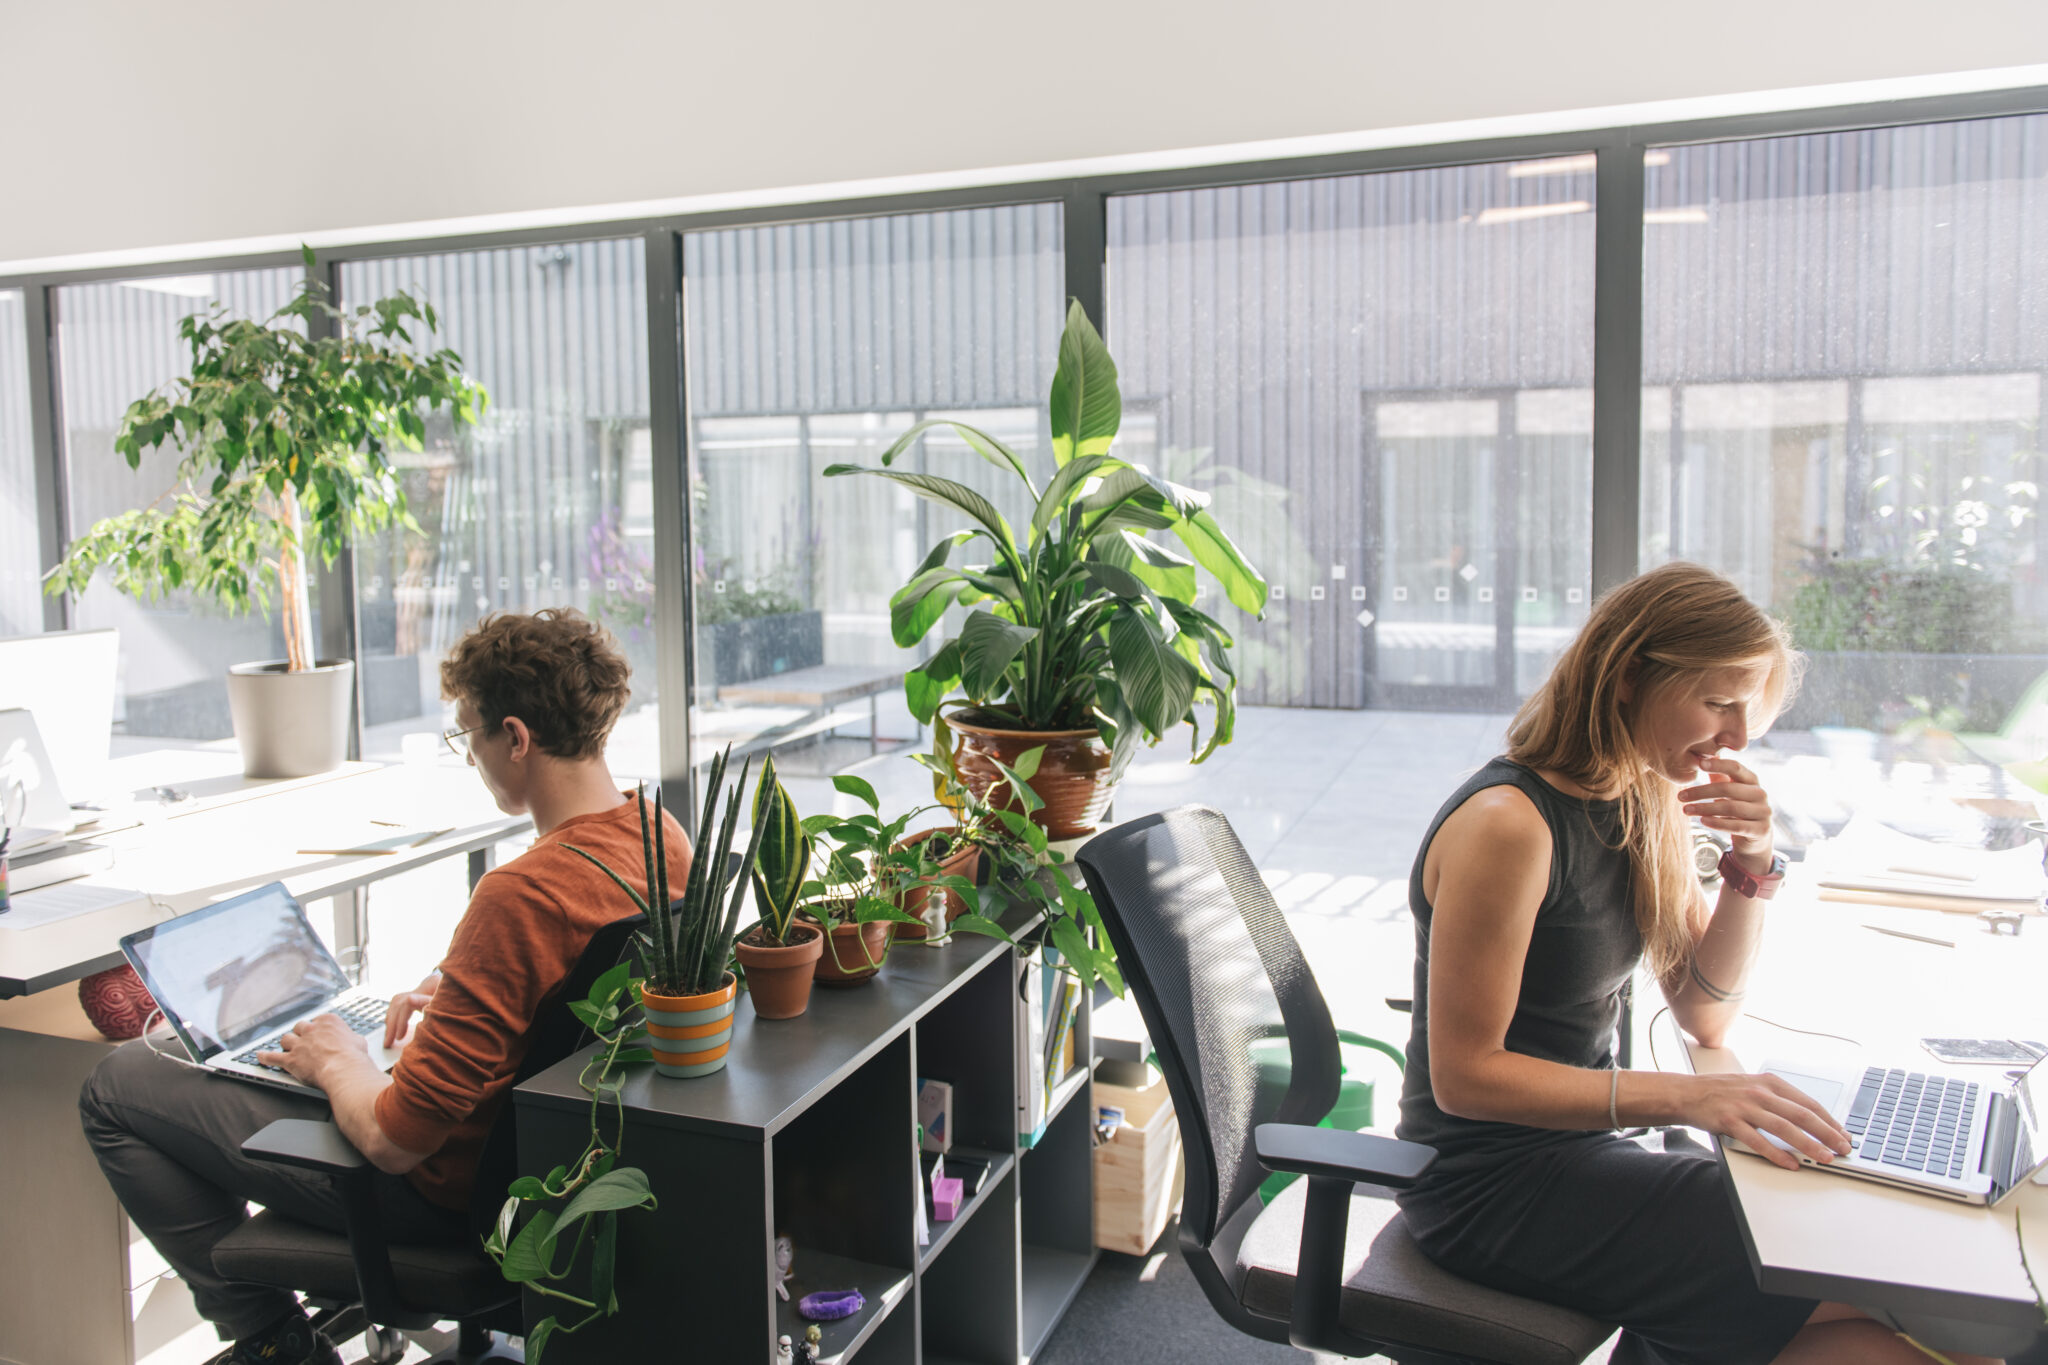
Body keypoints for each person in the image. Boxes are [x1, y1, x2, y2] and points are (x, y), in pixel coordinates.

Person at [1394, 563, 2002, 1365]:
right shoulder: (1510, 824)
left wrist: (1753, 861)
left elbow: (1705, 1011)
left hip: (1580, 1152)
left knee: (1882, 1295)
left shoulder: (1639, 795)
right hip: (1487, 1185)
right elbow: (1467, 1077)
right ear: (1628, 678)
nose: (1739, 736)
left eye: (1749, 707)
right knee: (1875, 1292)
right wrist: (1692, 1097)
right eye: (1719, 702)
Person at [80, 609, 689, 1365]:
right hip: (550, 1167)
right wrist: (459, 985)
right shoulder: (660, 836)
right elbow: (568, 964)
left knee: (118, 1085)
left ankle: (271, 1338)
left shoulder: (518, 895)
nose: (470, 756)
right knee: (233, 1050)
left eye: (468, 735)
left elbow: (395, 1139)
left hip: (438, 1193)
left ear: (516, 737)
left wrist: (338, 1059)